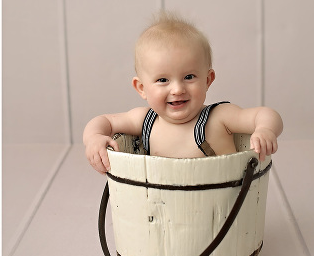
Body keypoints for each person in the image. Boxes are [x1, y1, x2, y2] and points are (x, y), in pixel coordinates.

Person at [83, 11, 283, 174]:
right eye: (163, 80)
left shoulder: (219, 117)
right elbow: (104, 122)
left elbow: (264, 114)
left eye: (189, 77)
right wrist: (94, 138)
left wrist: (265, 129)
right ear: (142, 88)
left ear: (207, 80)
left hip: (222, 211)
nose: (177, 89)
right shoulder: (145, 120)